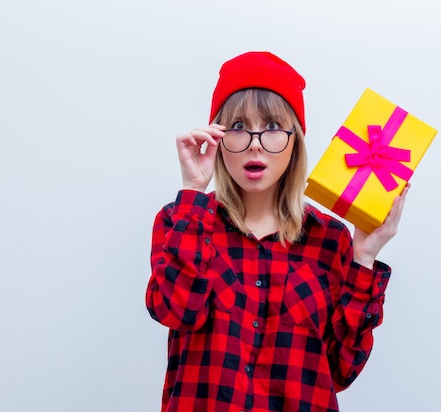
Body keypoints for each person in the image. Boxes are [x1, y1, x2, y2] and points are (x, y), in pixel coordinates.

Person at [145, 51, 408, 412]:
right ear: (217, 137)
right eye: (238, 126)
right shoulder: (183, 221)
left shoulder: (329, 240)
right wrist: (193, 188)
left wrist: (363, 257)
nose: (255, 142)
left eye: (272, 127)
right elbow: (177, 312)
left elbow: (340, 371)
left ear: (294, 141)